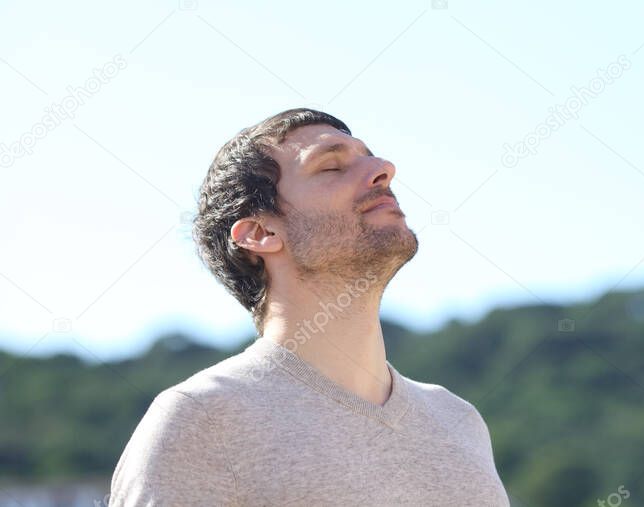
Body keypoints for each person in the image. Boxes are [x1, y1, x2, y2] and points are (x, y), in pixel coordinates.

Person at [109, 108, 510, 506]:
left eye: (370, 156)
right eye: (331, 167)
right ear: (261, 232)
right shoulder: (204, 421)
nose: (384, 168)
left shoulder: (458, 421)